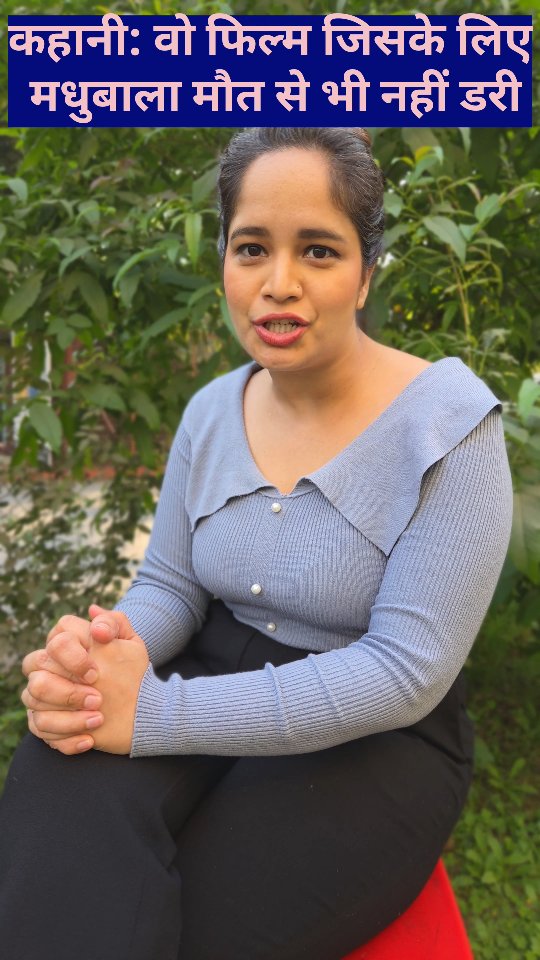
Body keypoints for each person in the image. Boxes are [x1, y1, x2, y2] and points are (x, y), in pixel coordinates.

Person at [0, 127, 513, 960]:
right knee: (58, 794)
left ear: (366, 270)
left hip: (375, 735)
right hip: (210, 661)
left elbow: (403, 673)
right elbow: (170, 586)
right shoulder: (211, 410)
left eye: (318, 250)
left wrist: (156, 713)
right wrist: (100, 658)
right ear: (224, 264)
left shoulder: (447, 426)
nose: (279, 284)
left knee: (206, 920)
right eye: (251, 249)